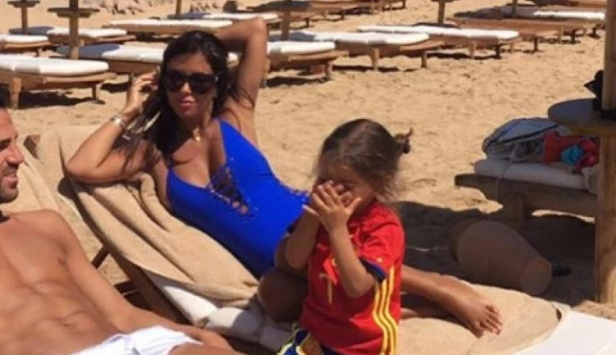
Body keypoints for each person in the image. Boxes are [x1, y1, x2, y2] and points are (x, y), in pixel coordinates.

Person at [66, 18, 502, 337]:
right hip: (274, 264)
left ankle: (439, 288)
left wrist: (196, 46)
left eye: (199, 81)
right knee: (280, 299)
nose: (185, 90)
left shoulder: (236, 112)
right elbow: (81, 167)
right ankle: (414, 308)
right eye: (175, 78)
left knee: (336, 264)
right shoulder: (153, 153)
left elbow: (255, 30)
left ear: (216, 83)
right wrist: (127, 112)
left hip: (309, 218)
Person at [0, 82, 241, 355]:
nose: (18, 157)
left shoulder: (46, 225)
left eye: (15, 142)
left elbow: (121, 314)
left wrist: (193, 335)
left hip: (142, 345)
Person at [278, 119, 408, 355]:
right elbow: (294, 260)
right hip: (315, 331)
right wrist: (312, 218)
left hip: (363, 342)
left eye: (346, 185)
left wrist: (337, 229)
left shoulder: (383, 227)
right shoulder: (319, 213)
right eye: (324, 180)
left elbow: (357, 286)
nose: (332, 191)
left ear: (379, 182)